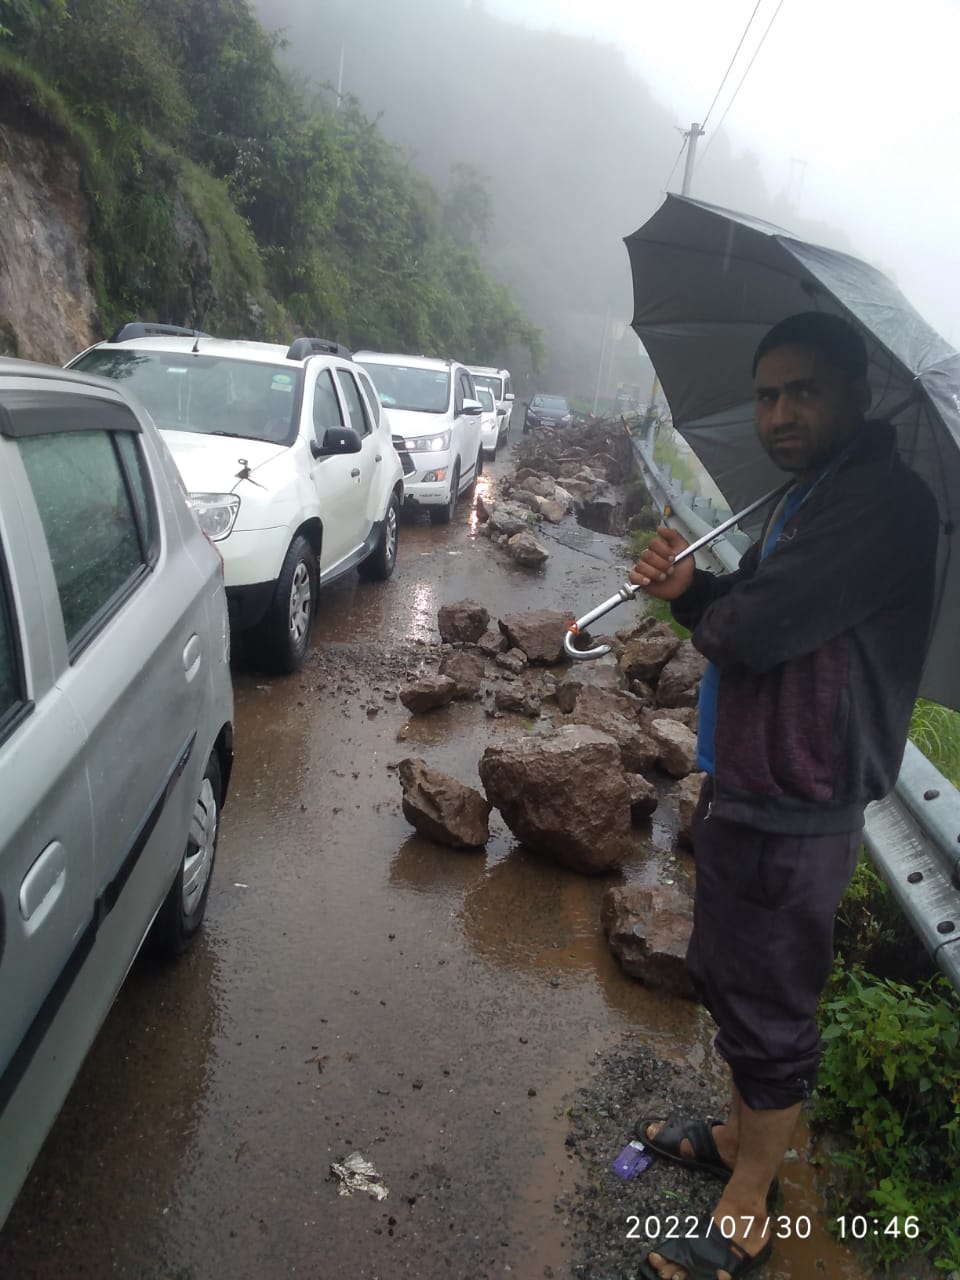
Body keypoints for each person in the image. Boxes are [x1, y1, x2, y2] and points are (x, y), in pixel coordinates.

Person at [627, 311, 939, 1280]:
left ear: (857, 394)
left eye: (803, 390)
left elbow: (754, 630)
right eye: (767, 395)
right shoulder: (811, 496)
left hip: (803, 799)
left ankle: (752, 1207)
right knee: (729, 974)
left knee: (772, 1005)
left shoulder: (885, 507)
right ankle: (735, 1135)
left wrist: (705, 604)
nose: (780, 411)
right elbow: (739, 610)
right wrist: (691, 588)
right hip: (750, 781)